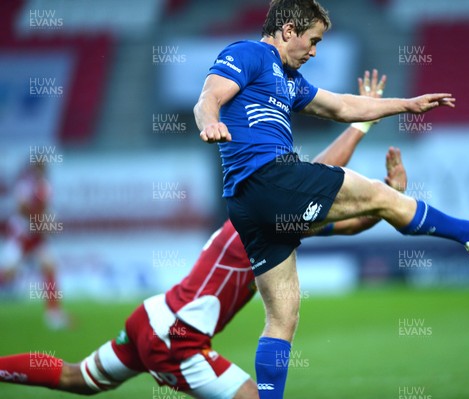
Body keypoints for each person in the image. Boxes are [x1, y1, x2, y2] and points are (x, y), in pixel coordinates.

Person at [0, 71, 407, 399]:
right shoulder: (265, 221)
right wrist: (358, 127)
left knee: (79, 379)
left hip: (149, 318)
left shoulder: (272, 224)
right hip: (178, 336)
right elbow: (320, 173)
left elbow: (349, 221)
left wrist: (389, 200)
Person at [193, 1, 469, 398]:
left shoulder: (289, 80)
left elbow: (343, 105)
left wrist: (407, 104)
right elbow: (208, 96)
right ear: (289, 29)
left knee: (282, 319)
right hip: (270, 178)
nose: (314, 51)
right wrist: (210, 122)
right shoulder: (250, 53)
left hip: (246, 206)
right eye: (312, 41)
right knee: (379, 193)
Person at [0, 160, 70, 330]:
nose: (43, 170)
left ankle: (53, 315)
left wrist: (46, 226)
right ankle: (53, 315)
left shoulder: (45, 186)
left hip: (36, 237)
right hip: (22, 235)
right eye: (40, 167)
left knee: (50, 267)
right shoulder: (25, 184)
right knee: (7, 273)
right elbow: (22, 209)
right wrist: (41, 223)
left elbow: (44, 211)